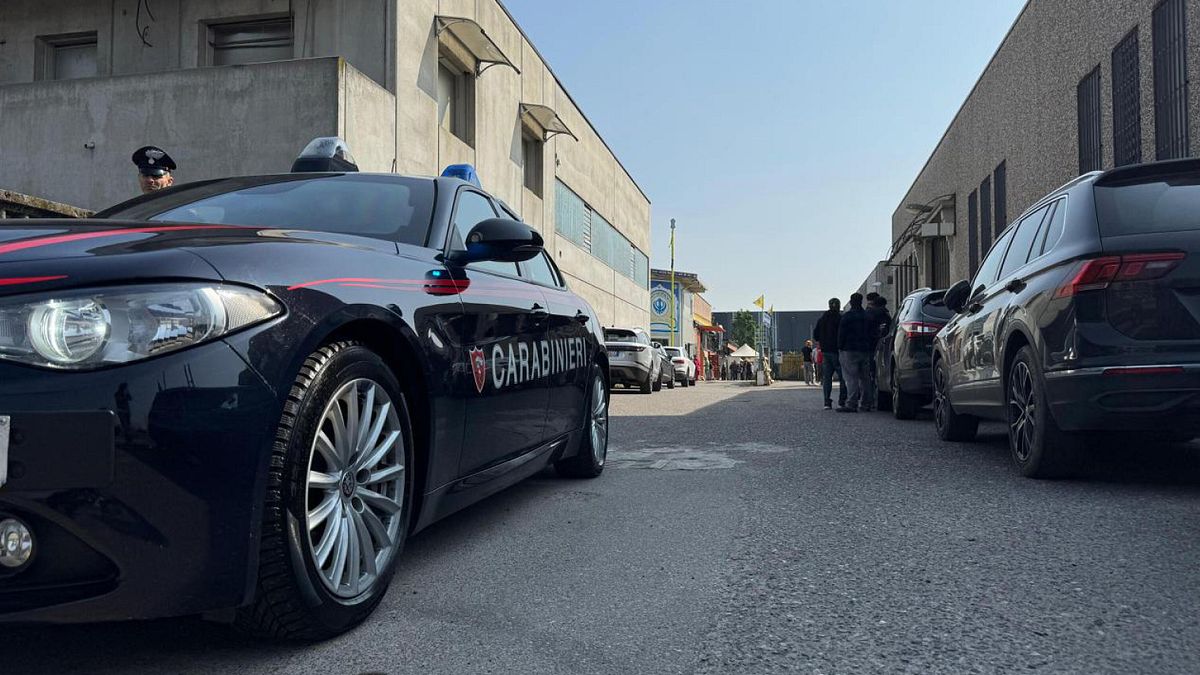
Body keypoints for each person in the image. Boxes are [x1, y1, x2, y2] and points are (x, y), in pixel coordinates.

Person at [836, 293, 874, 413]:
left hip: (849, 349)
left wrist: (840, 347)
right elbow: (872, 333)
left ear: (851, 302)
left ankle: (852, 403)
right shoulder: (867, 316)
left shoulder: (847, 317)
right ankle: (866, 403)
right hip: (864, 349)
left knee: (851, 377)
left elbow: (841, 334)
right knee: (865, 378)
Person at [813, 298, 847, 410]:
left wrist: (823, 341)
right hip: (837, 351)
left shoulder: (822, 319)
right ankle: (842, 401)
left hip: (825, 352)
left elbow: (815, 335)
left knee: (827, 378)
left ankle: (827, 402)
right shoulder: (841, 319)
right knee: (843, 377)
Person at [861, 294, 892, 411]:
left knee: (869, 374)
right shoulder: (885, 315)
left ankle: (869, 400)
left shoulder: (868, 314)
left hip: (869, 346)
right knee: (878, 373)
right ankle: (876, 399)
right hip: (883, 346)